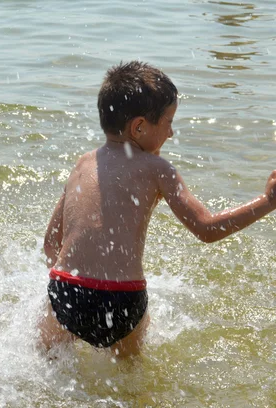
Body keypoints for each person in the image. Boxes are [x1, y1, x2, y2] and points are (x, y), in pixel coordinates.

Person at [38, 61, 276, 358]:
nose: (172, 133)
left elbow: (51, 244)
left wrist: (72, 289)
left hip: (68, 291)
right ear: (139, 127)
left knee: (47, 363)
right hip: (124, 298)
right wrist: (268, 201)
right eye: (168, 122)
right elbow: (206, 228)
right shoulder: (158, 169)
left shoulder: (84, 163)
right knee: (131, 381)